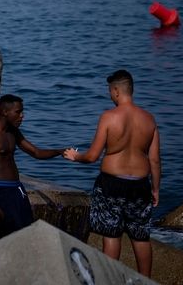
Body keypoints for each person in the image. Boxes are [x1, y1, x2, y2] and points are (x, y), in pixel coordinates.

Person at [63, 70, 161, 278]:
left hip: (111, 185)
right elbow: (154, 160)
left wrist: (75, 156)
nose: (110, 94)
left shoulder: (109, 117)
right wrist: (155, 189)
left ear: (116, 91)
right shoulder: (149, 119)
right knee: (141, 237)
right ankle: (145, 281)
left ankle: (109, 279)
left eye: (110, 91)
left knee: (111, 235)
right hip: (140, 185)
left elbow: (92, 156)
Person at [0, 94, 65, 237]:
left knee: (27, 231)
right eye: (18, 112)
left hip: (17, 189)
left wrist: (59, 151)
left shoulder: (13, 132)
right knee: (8, 233)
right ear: (4, 112)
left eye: (22, 112)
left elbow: (36, 152)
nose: (22, 116)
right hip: (0, 189)